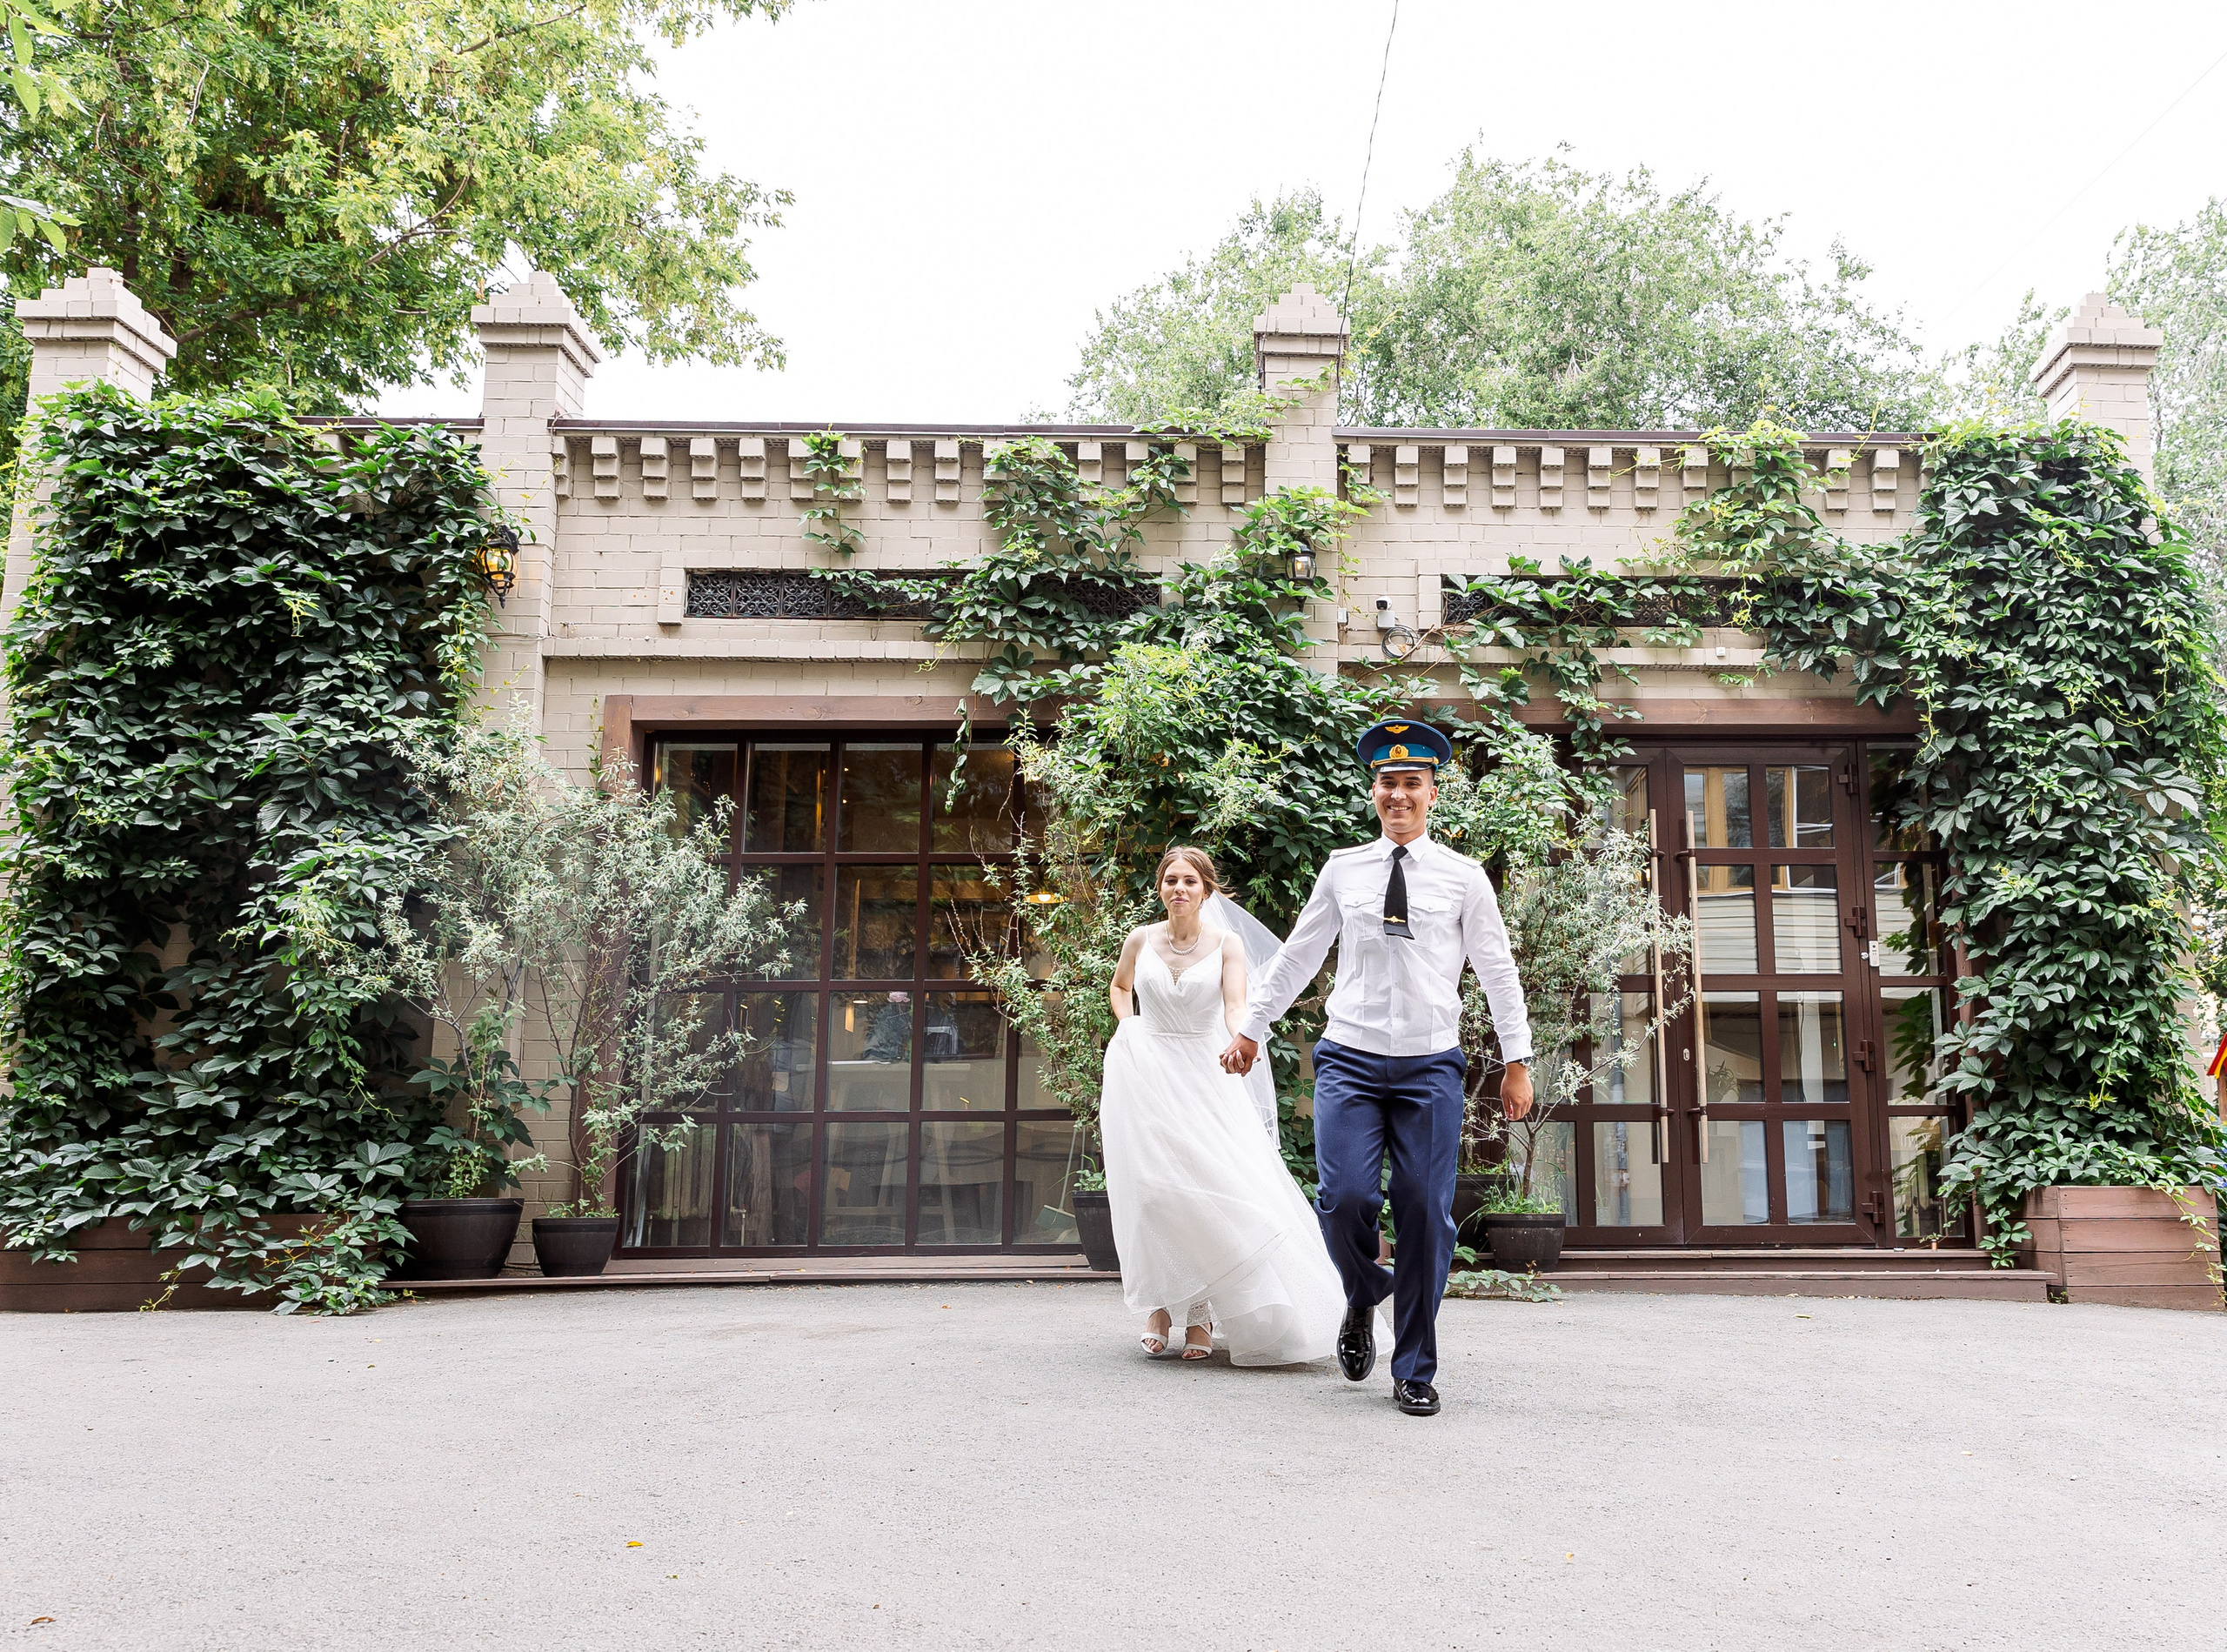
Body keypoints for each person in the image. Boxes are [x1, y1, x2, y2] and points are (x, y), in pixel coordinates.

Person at [1221, 720, 1534, 1417]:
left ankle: (1414, 1367)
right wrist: (1251, 1028)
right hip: (1351, 1059)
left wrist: (1518, 1060)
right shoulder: (1343, 869)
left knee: (1424, 1210)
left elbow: (1497, 970)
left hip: (1430, 1064)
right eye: (1388, 782)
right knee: (1344, 1198)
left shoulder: (1463, 878)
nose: (1399, 794)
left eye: (1411, 783)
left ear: (1432, 793)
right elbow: (1300, 954)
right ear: (1374, 791)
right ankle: (1364, 1291)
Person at [1100, 846, 1347, 1365]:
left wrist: (1241, 1039)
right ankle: (1159, 1307)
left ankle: (1200, 1313)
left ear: (1206, 890)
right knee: (1154, 1192)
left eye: (1190, 881)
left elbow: (1236, 1005)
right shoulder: (1140, 939)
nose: (1179, 889)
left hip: (1203, 1074)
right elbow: (1120, 989)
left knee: (1206, 1190)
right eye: (1171, 880)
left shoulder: (1226, 944)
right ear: (1160, 887)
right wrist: (1129, 1029)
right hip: (1147, 1075)